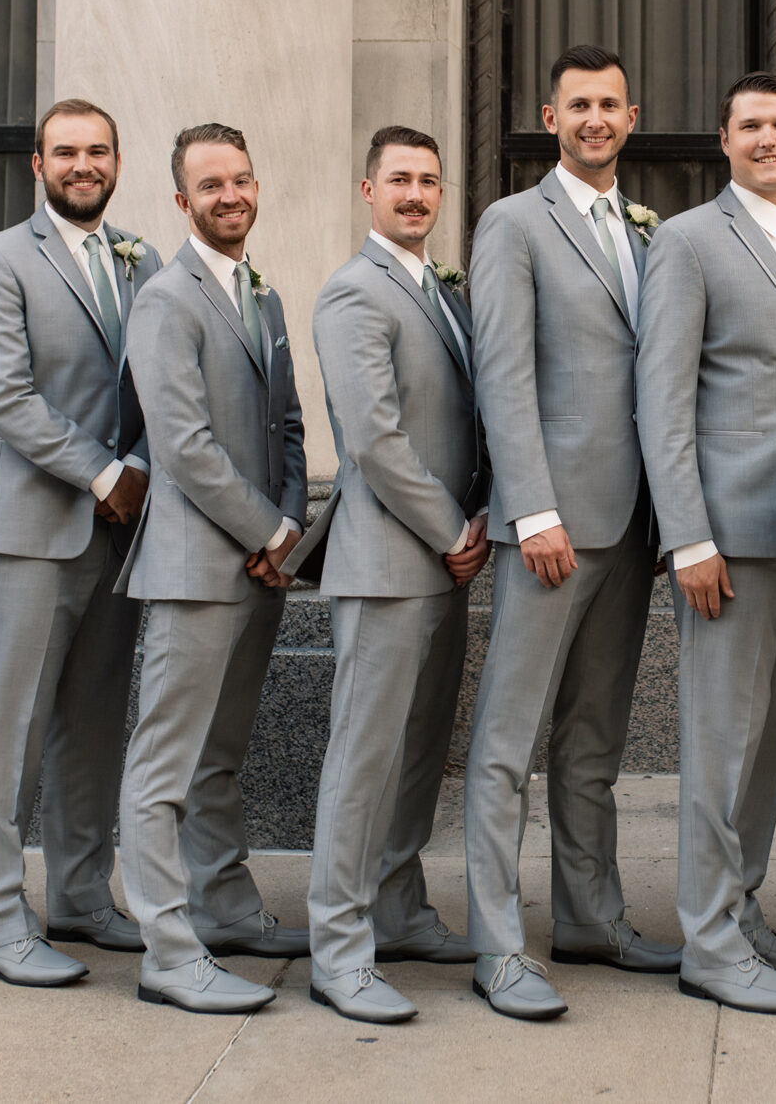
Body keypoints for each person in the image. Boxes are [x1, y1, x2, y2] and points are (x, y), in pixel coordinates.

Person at [463, 46, 679, 1021]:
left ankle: (590, 916)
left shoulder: (651, 232)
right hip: (552, 525)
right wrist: (532, 508)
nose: (594, 119)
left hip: (633, 523)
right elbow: (500, 373)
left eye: (609, 105)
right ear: (548, 117)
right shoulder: (513, 222)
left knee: (593, 738)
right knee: (508, 742)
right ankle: (499, 946)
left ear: (631, 116)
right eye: (576, 105)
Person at [635, 72, 776, 1016]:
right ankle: (709, 941)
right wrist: (687, 536)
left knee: (770, 742)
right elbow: (663, 399)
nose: (769, 138)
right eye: (751, 125)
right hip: (727, 537)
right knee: (720, 744)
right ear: (722, 139)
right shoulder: (685, 243)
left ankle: (742, 900)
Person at [0, 100, 164, 986]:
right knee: (11, 728)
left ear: (118, 161)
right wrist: (102, 473)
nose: (84, 164)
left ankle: (80, 894)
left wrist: (146, 468)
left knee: (91, 724)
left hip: (123, 532)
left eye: (99, 150)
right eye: (67, 151)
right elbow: (7, 398)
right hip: (34, 527)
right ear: (37, 163)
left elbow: (167, 385)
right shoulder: (1, 261)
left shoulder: (145, 259)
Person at [115, 124, 310, 1016]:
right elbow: (183, 446)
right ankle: (166, 944)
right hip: (197, 567)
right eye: (210, 184)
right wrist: (267, 528)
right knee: (164, 764)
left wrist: (293, 528)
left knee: (220, 757)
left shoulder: (260, 297)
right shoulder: (167, 297)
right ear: (182, 201)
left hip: (262, 564)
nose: (230, 195)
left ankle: (225, 906)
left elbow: (290, 426)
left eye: (241, 178)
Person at [305, 126, 492, 1024]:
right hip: (387, 562)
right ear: (366, 189)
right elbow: (374, 438)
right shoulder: (353, 292)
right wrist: (454, 524)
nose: (416, 194)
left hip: (445, 563)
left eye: (429, 180)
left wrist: (480, 512)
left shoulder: (438, 291)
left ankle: (398, 907)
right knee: (363, 758)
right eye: (400, 180)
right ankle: (337, 948)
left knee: (418, 754)